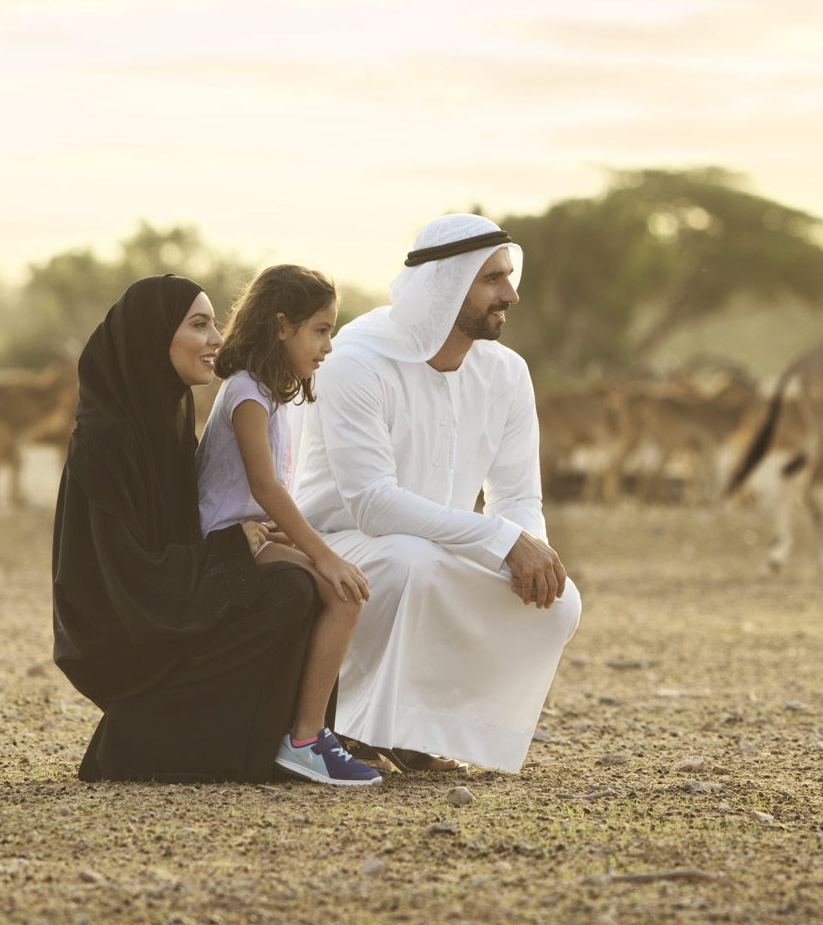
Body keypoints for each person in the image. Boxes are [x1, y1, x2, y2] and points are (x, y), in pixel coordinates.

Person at [289, 214, 580, 773]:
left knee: (559, 601)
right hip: (338, 546)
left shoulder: (507, 373)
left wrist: (530, 552)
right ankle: (352, 725)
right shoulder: (358, 360)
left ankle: (420, 730)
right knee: (409, 561)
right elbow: (373, 504)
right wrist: (501, 540)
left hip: (441, 546)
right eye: (493, 279)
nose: (511, 294)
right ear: (446, 283)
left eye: (510, 276)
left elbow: (518, 497)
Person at [50, 274, 323, 783]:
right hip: (123, 625)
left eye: (214, 323)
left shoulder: (168, 425)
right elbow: (124, 575)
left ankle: (268, 743)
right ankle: (144, 739)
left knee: (297, 585)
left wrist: (257, 536)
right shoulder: (105, 442)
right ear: (153, 338)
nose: (217, 339)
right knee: (290, 589)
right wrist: (233, 546)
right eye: (200, 325)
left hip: (167, 598)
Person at [194, 263, 379, 786]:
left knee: (347, 592)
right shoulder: (247, 392)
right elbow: (264, 486)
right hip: (225, 544)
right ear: (281, 326)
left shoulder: (266, 392)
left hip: (250, 532)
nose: (328, 345)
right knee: (345, 593)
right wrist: (323, 554)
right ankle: (304, 740)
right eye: (320, 330)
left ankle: (312, 733)